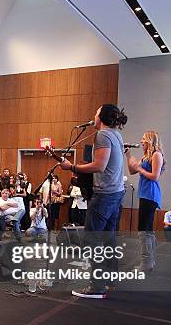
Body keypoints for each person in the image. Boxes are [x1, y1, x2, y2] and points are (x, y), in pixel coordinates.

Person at [59, 103, 127, 298]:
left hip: (104, 195)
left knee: (92, 239)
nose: (93, 115)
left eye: (96, 112)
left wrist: (72, 167)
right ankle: (110, 280)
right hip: (115, 193)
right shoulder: (116, 134)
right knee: (108, 237)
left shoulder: (103, 135)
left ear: (102, 117)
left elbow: (100, 165)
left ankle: (97, 287)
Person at [126, 131, 164, 272]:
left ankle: (146, 262)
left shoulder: (156, 155)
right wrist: (128, 155)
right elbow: (131, 171)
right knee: (146, 229)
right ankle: (149, 261)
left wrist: (140, 168)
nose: (141, 142)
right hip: (145, 194)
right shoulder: (146, 157)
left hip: (151, 195)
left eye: (143, 139)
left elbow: (155, 176)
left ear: (149, 140)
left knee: (144, 229)